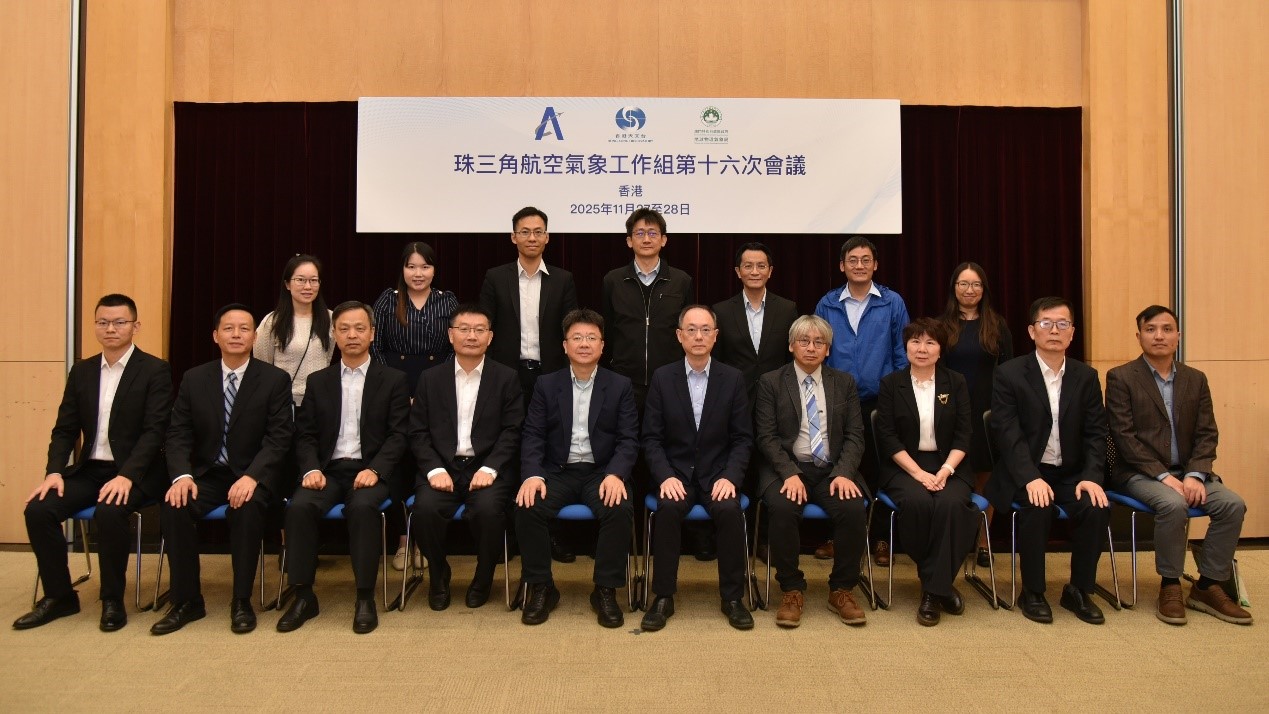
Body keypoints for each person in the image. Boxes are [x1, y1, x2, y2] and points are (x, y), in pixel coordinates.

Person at [14, 295, 172, 632]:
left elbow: (155, 432)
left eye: (119, 322)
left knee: (109, 511)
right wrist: (54, 472)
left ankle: (112, 599)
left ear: (135, 326)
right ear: (96, 326)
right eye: (103, 322)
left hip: (137, 473)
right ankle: (60, 596)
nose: (111, 328)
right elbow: (65, 429)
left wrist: (127, 475)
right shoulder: (82, 371)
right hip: (91, 470)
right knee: (39, 510)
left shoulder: (155, 370)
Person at [154, 304, 294, 635]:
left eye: (244, 329)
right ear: (215, 336)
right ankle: (187, 601)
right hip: (208, 474)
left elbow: (279, 438)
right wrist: (181, 476)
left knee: (247, 507)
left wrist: (252, 477)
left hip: (253, 474)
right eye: (228, 328)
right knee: (175, 506)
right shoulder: (194, 378)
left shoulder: (274, 379)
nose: (236, 334)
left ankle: (241, 601)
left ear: (254, 337)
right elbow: (177, 433)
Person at [1106, 305, 1250, 625]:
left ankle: (1208, 585)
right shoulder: (1121, 377)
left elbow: (1207, 433)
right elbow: (1124, 437)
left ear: (1178, 336)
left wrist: (1196, 475)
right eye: (1151, 329)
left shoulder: (1195, 379)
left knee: (1232, 505)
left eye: (1167, 329)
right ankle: (1170, 584)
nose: (1159, 335)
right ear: (1139, 336)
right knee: (1173, 504)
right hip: (1138, 472)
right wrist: (1163, 476)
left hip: (1188, 472)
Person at [276, 301, 410, 634]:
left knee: (363, 508)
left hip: (372, 471)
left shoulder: (393, 380)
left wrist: (375, 470)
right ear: (334, 335)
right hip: (328, 471)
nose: (352, 335)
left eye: (360, 328)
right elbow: (305, 434)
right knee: (299, 507)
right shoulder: (319, 381)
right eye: (344, 329)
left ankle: (364, 596)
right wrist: (310, 469)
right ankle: (304, 596)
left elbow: (399, 435)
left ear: (372, 334)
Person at [987, 296, 1110, 625]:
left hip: (1072, 474)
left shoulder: (1086, 377)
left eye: (1062, 324)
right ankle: (1033, 591)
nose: (1054, 331)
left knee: (1096, 506)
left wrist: (1091, 476)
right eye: (1046, 323)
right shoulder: (1009, 374)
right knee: (1037, 505)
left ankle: (1079, 590)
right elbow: (1007, 434)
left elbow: (1096, 434)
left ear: (1072, 333)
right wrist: (1030, 477)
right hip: (1024, 472)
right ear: (1032, 331)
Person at [515, 309, 639, 628]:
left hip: (601, 472)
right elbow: (533, 434)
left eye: (591, 338)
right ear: (565, 345)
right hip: (557, 471)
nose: (584, 344)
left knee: (619, 508)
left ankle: (605, 590)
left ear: (602, 345)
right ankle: (542, 587)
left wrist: (616, 473)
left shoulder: (620, 385)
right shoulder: (546, 385)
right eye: (577, 337)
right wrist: (532, 474)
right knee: (528, 505)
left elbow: (628, 439)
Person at [639, 305, 753, 632]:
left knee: (729, 510)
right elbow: (651, 438)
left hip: (718, 475)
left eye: (705, 330)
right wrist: (665, 476)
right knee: (668, 508)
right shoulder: (663, 378)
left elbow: (743, 439)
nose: (698, 336)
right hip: (676, 474)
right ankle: (663, 596)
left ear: (715, 336)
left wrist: (730, 477)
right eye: (691, 329)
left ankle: (733, 598)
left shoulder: (733, 379)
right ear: (679, 336)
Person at [753, 314, 869, 628]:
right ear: (791, 346)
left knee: (853, 508)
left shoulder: (844, 382)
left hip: (832, 469)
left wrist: (844, 472)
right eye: (804, 341)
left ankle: (842, 589)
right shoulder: (771, 382)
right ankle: (791, 589)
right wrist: (789, 473)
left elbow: (856, 436)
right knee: (782, 508)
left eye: (819, 342)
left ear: (828, 349)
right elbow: (766, 437)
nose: (811, 348)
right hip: (788, 468)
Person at [480, 206, 579, 564]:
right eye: (525, 231)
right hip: (508, 377)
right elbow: (486, 327)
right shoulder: (496, 277)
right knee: (508, 449)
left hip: (551, 378)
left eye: (538, 231)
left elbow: (571, 330)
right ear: (513, 237)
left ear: (547, 237)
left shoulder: (563, 279)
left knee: (551, 450)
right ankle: (509, 535)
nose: (532, 237)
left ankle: (550, 533)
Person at [410, 304, 523, 611]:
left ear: (490, 337)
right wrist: (434, 469)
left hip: (486, 467)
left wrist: (491, 468)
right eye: (464, 329)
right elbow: (417, 432)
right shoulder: (430, 378)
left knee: (489, 511)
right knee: (425, 510)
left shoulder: (506, 378)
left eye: (479, 330)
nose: (471, 336)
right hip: (442, 467)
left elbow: (513, 430)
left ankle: (483, 577)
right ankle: (438, 574)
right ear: (451, 335)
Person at [813, 236, 909, 566]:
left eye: (865, 260)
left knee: (882, 469)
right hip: (837, 400)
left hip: (881, 401)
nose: (859, 265)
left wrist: (899, 394)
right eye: (852, 260)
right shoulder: (827, 303)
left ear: (875, 265)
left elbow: (901, 351)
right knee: (837, 466)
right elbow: (818, 349)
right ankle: (836, 537)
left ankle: (881, 538)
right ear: (842, 265)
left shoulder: (892, 302)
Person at [874, 318, 976, 626]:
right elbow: (887, 437)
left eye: (930, 342)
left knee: (952, 505)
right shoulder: (891, 383)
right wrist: (918, 473)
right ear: (905, 347)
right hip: (904, 466)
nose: (922, 348)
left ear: (940, 349)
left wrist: (946, 470)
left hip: (950, 464)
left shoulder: (955, 382)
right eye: (915, 342)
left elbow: (964, 434)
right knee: (918, 503)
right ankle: (941, 584)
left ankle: (932, 590)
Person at [371, 241, 457, 571]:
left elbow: (454, 348)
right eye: (411, 267)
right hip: (394, 389)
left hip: (437, 389)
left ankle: (424, 538)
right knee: (399, 464)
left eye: (425, 266)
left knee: (428, 458)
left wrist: (428, 390)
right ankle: (403, 540)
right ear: (402, 269)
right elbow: (376, 348)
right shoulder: (387, 300)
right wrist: (397, 389)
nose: (418, 273)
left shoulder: (446, 300)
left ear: (434, 270)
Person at [938, 262, 1013, 567]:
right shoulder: (941, 325)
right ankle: (952, 541)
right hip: (950, 410)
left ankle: (983, 542)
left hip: (987, 411)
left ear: (984, 289)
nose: (969, 290)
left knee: (985, 477)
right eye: (963, 284)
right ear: (954, 287)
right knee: (951, 476)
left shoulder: (997, 325)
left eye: (976, 284)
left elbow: (1008, 370)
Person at [600, 207, 693, 410]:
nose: (646, 239)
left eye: (652, 233)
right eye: (640, 233)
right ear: (629, 241)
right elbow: (607, 329)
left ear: (663, 240)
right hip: (624, 379)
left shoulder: (681, 281)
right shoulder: (613, 280)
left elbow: (688, 330)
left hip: (669, 379)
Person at [712, 241, 799, 405]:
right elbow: (717, 359)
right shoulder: (721, 311)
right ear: (738, 271)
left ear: (770, 271)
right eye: (748, 266)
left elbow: (792, 356)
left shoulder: (787, 309)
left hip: (778, 396)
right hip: (735, 397)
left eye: (761, 266)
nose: (754, 272)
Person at [254, 254, 335, 407]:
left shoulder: (331, 319)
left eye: (313, 280)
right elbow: (262, 366)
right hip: (284, 403)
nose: (308, 287)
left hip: (321, 402)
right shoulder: (272, 321)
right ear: (287, 284)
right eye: (300, 280)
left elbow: (327, 358)